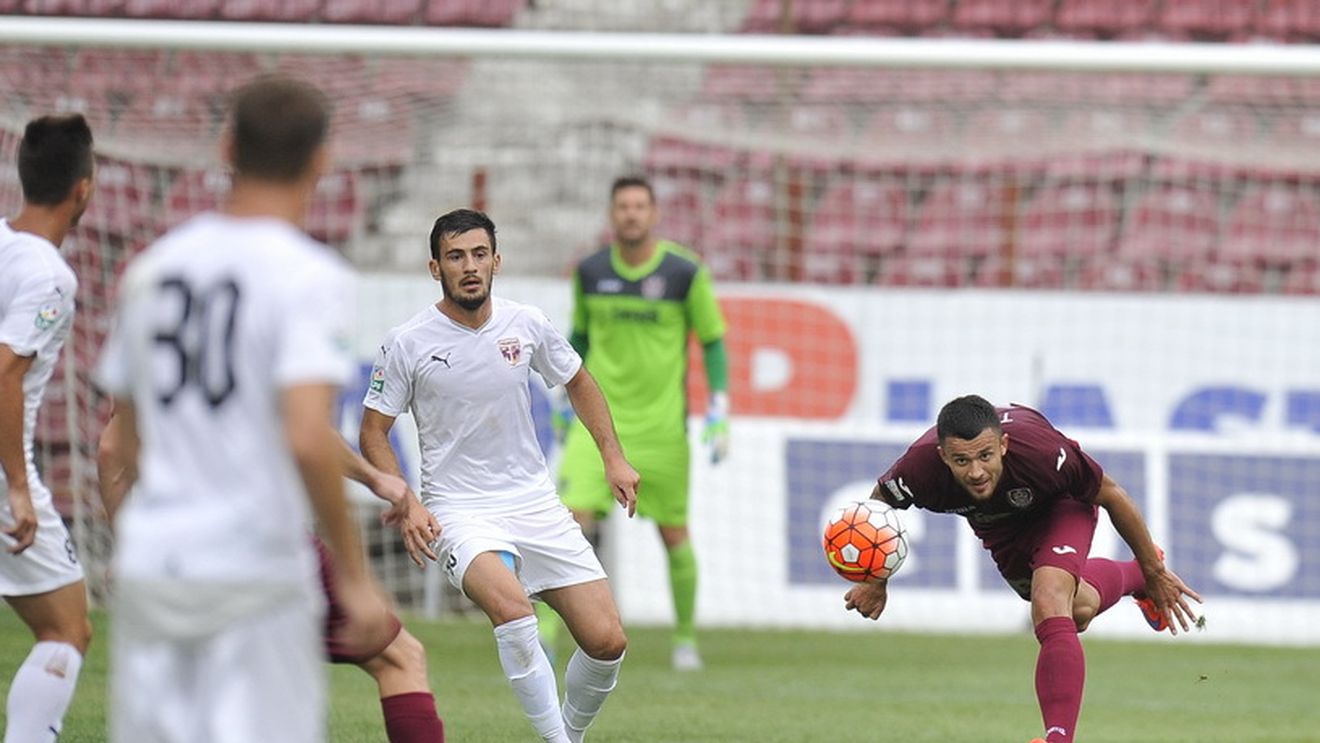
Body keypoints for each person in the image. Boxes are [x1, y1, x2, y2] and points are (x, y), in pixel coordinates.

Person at [94, 75, 392, 743]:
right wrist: (354, 573)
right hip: (254, 565)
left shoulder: (151, 269)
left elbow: (117, 445)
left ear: (225, 146)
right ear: (323, 159)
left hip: (156, 561)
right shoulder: (309, 276)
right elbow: (308, 436)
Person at [359, 208, 638, 743]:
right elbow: (373, 431)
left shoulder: (525, 323)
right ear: (434, 268)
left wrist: (613, 456)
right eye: (456, 256)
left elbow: (578, 379)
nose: (470, 267)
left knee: (607, 641)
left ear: (496, 261)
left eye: (479, 255)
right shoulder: (408, 341)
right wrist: (407, 499)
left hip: (534, 502)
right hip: (458, 511)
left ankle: (570, 736)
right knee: (513, 611)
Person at [846, 394, 1203, 743]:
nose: (975, 472)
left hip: (1061, 503)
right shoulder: (918, 469)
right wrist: (875, 579)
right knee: (1074, 612)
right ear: (943, 456)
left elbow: (1111, 494)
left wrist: (1155, 570)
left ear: (1003, 444)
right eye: (961, 461)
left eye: (985, 456)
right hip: (998, 525)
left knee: (1048, 603)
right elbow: (876, 513)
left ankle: (1058, 739)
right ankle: (1133, 578)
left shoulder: (1044, 455)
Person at [97, 413, 447, 743]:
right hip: (255, 537)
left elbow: (113, 448)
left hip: (172, 546)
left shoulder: (146, 347)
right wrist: (373, 479)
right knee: (398, 657)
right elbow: (307, 431)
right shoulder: (262, 347)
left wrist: (127, 544)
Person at [543, 175, 729, 671]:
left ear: (654, 214)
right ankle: (543, 636)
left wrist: (720, 406)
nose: (630, 214)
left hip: (662, 430)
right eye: (622, 206)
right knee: (567, 525)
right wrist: (564, 402)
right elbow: (578, 336)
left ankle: (686, 640)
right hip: (596, 424)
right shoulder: (589, 270)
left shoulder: (684, 272)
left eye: (639, 206)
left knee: (673, 534)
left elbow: (711, 341)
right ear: (612, 214)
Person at [0, 113, 96, 743]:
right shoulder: (49, 276)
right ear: (83, 188)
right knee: (67, 626)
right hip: (3, 472)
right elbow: (3, 374)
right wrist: (16, 486)